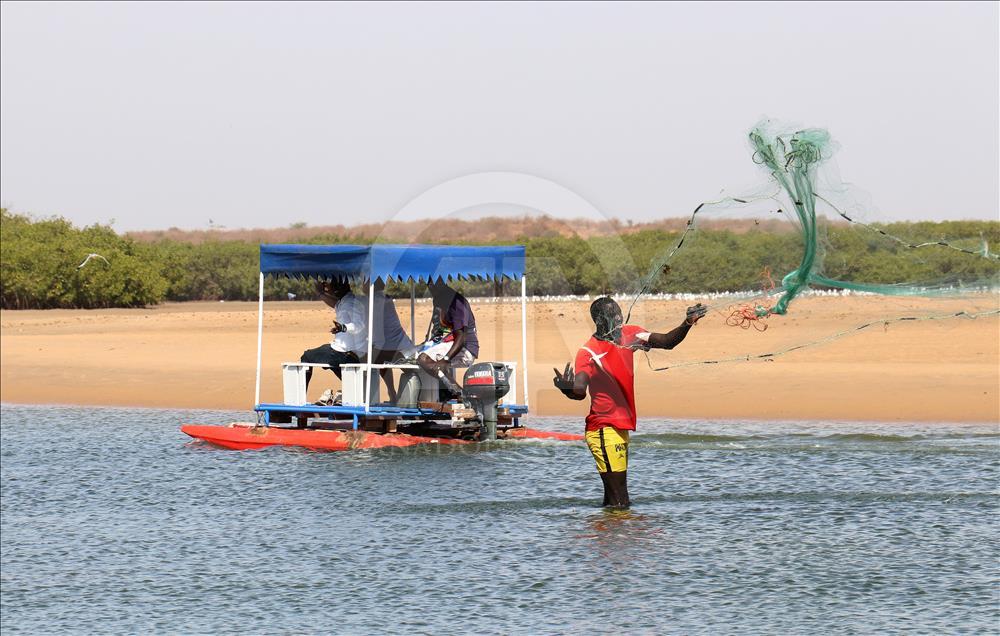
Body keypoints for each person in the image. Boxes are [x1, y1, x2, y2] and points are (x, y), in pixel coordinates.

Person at [552, 297, 707, 508]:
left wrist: (687, 323)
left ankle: (606, 538)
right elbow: (580, 391)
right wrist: (566, 388)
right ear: (599, 321)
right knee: (620, 501)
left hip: (620, 428)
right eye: (613, 316)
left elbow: (667, 341)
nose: (618, 319)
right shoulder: (588, 351)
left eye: (619, 315)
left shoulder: (630, 334)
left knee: (612, 499)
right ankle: (620, 538)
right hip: (603, 429)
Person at [300, 279, 368, 392]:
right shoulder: (346, 301)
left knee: (306, 357)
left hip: (344, 353)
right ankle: (354, 390)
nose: (327, 287)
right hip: (345, 350)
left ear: (337, 289)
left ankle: (299, 403)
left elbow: (359, 325)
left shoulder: (350, 304)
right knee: (330, 361)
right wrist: (320, 293)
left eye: (330, 286)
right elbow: (335, 304)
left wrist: (343, 327)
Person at [415, 280, 479, 379]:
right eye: (428, 283)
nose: (429, 287)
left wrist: (445, 359)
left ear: (441, 281)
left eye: (432, 283)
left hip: (465, 348)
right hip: (446, 342)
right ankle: (446, 392)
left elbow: (461, 336)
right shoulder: (438, 298)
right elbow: (439, 331)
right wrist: (426, 344)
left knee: (424, 358)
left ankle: (457, 392)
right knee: (408, 355)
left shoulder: (456, 302)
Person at [368, 279, 414, 402]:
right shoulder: (385, 298)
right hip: (402, 343)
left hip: (392, 346)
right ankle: (393, 393)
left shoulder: (373, 300)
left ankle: (391, 393)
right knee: (380, 357)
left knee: (373, 357)